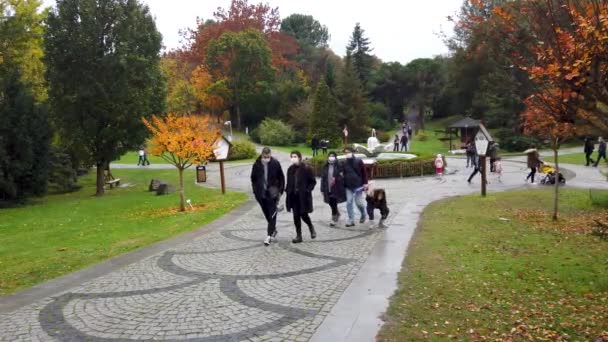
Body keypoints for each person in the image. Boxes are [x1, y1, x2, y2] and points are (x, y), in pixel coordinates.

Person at [251, 147, 285, 246]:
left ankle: (269, 236)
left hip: (272, 194)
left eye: (268, 156)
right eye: (265, 157)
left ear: (270, 155)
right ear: (262, 155)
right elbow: (253, 178)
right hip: (261, 194)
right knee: (267, 214)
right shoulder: (257, 164)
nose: (266, 158)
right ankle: (273, 230)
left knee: (272, 214)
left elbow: (281, 177)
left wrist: (280, 191)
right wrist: (255, 191)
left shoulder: (275, 163)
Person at [285, 151, 317, 243]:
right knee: (296, 216)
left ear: (299, 157)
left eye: (295, 156)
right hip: (293, 196)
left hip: (303, 196)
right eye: (292, 156)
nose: (293, 158)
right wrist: (287, 190)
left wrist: (308, 190)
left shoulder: (307, 168)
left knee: (304, 214)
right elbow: (289, 182)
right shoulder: (290, 169)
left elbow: (313, 181)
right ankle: (299, 236)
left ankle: (311, 226)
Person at [343, 146, 368, 227]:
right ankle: (351, 220)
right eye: (345, 152)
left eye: (348, 152)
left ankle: (363, 213)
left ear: (352, 152)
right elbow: (343, 173)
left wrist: (365, 183)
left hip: (358, 185)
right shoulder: (344, 162)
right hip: (348, 186)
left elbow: (364, 173)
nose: (347, 154)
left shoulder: (358, 161)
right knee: (349, 202)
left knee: (359, 203)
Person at [320, 152, 346, 226]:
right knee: (330, 202)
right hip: (327, 187)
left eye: (333, 156)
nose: (331, 157)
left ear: (335, 157)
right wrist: (322, 189)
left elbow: (342, 176)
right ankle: (337, 213)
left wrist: (337, 178)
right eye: (330, 156)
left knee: (334, 202)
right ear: (328, 157)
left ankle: (334, 218)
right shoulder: (325, 166)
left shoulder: (339, 165)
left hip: (336, 187)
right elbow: (323, 178)